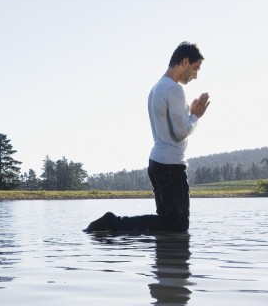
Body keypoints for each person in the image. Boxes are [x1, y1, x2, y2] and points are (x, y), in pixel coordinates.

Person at [85, 42, 210, 233]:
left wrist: (189, 115)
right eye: (195, 68)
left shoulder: (156, 88)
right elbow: (180, 132)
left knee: (168, 225)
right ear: (184, 61)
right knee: (177, 225)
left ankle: (160, 260)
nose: (195, 76)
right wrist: (195, 116)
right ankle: (113, 222)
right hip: (170, 166)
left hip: (158, 164)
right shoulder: (174, 89)